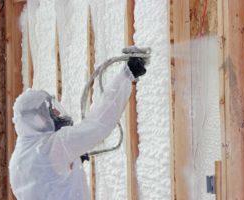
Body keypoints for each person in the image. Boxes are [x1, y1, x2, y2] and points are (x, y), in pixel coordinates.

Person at [9, 56, 147, 200]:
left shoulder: (17, 161)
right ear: (37, 120)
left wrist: (69, 161)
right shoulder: (56, 145)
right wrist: (126, 74)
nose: (56, 113)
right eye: (50, 111)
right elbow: (99, 123)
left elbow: (44, 182)